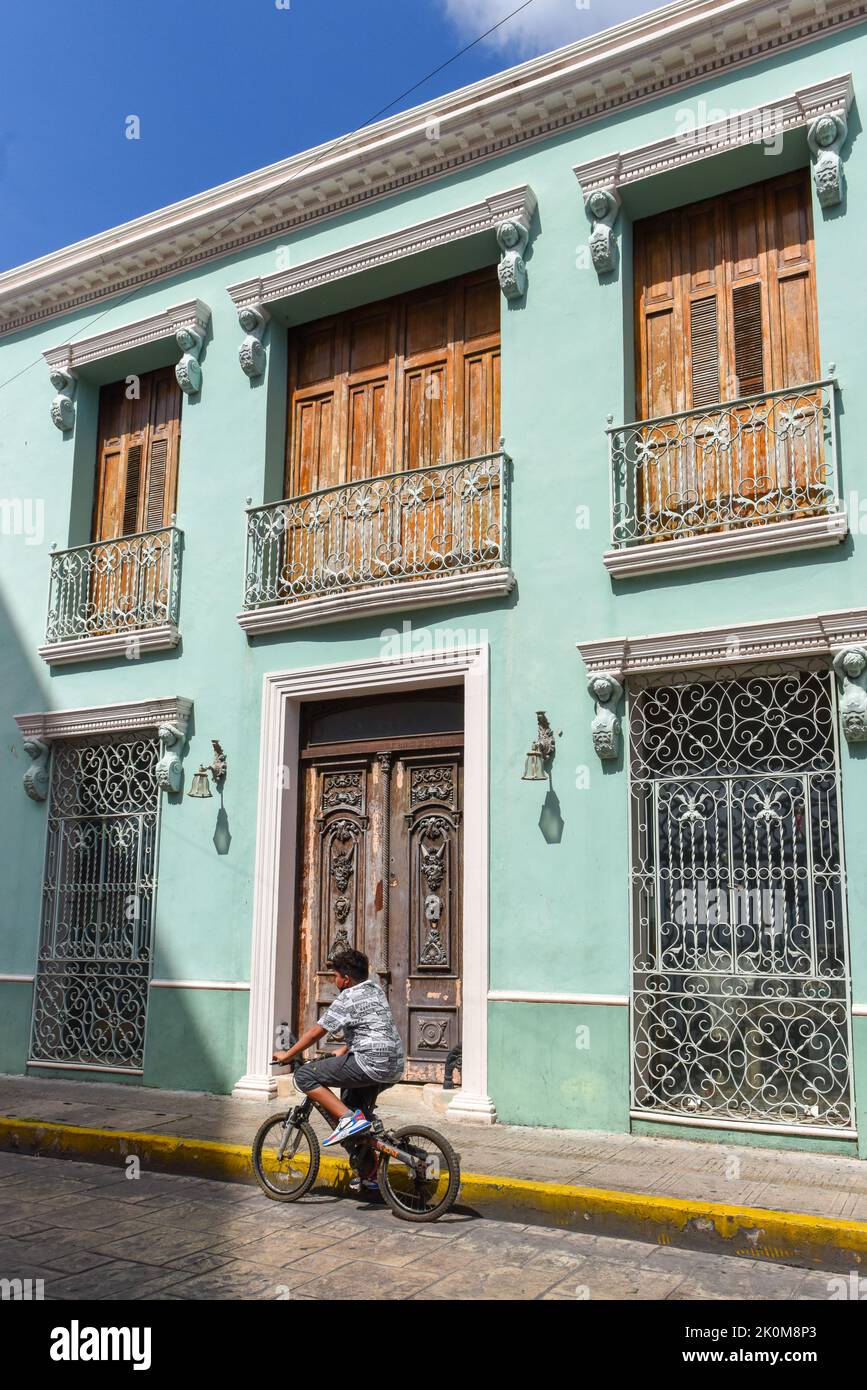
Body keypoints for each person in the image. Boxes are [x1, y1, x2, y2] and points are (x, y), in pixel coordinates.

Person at [271, 947, 405, 1187]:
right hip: (393, 1066)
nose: (335, 980)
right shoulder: (375, 989)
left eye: (336, 975)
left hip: (369, 1063)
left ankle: (349, 1119)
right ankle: (370, 1175)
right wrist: (342, 1051)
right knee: (356, 1111)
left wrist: (288, 1055)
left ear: (346, 978)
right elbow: (369, 1028)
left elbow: (316, 1032)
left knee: (304, 1076)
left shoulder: (347, 997)